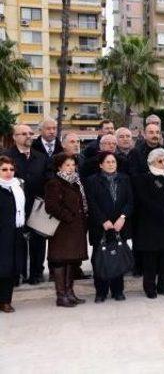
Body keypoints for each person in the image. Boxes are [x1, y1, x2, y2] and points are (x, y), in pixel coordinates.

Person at [85, 152, 134, 302]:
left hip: (120, 225)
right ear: (101, 164)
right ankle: (101, 292)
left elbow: (130, 201)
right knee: (100, 259)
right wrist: (103, 220)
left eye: (113, 161)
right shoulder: (92, 180)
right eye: (107, 162)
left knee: (118, 257)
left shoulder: (124, 179)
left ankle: (118, 291)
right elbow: (91, 203)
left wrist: (123, 217)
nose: (111, 164)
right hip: (101, 227)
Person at [3, 124, 47, 285]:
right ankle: (17, 274)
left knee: (38, 242)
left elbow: (47, 179)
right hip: (14, 209)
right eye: (23, 133)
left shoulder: (41, 157)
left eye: (30, 133)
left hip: (37, 207)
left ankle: (37, 273)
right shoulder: (6, 156)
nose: (28, 136)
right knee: (16, 243)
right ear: (14, 137)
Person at [44, 153, 89, 307]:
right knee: (60, 261)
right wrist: (69, 217)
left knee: (71, 260)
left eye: (72, 165)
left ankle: (70, 293)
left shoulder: (76, 182)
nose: (71, 168)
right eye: (67, 165)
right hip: (61, 229)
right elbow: (51, 206)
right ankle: (61, 296)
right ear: (59, 167)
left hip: (76, 229)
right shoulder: (54, 183)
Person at [133, 148, 164, 298]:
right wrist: (162, 212)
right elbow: (143, 200)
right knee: (150, 259)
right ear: (151, 162)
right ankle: (150, 287)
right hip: (149, 224)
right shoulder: (143, 178)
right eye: (160, 161)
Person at [0, 156, 26, 313]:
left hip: (15, 233)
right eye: (4, 169)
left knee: (10, 269)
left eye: (11, 169)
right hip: (2, 234)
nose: (8, 173)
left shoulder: (18, 186)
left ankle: (5, 301)